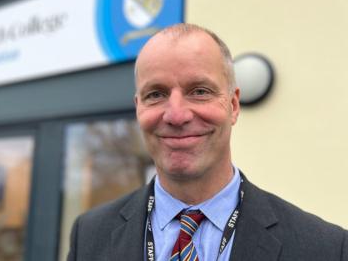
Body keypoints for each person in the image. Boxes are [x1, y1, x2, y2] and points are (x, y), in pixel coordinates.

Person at [67, 23, 348, 261]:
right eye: (156, 94)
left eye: (199, 91)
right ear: (138, 107)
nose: (176, 115)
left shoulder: (326, 249)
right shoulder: (90, 234)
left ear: (234, 105)